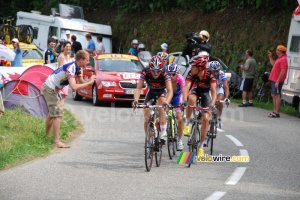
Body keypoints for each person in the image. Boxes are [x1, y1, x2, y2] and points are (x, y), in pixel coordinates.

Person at [42, 50, 96, 148]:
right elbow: (74, 87)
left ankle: (46, 136)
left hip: (52, 88)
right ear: (81, 60)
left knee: (52, 114)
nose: (88, 62)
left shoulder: (78, 68)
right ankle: (56, 142)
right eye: (87, 60)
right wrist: (88, 83)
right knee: (58, 115)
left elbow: (81, 82)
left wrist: (90, 81)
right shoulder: (71, 68)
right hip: (50, 88)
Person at [182, 54, 217, 157]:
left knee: (206, 119)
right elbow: (186, 87)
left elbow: (214, 91)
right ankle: (187, 123)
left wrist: (212, 105)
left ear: (200, 68)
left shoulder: (210, 74)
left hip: (206, 93)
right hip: (196, 91)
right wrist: (184, 100)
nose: (191, 68)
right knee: (191, 99)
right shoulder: (191, 73)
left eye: (193, 67)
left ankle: (201, 145)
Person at [132, 55, 173, 141]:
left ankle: (163, 131)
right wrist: (135, 100)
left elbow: (170, 90)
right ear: (150, 69)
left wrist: (167, 102)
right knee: (146, 115)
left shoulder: (165, 73)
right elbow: (139, 88)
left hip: (162, 91)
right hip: (151, 92)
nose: (155, 73)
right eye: (153, 70)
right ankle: (148, 139)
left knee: (161, 103)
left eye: (158, 71)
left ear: (161, 69)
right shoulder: (145, 72)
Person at [166, 63, 185, 150]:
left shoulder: (180, 79)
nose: (171, 76)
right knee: (162, 113)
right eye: (169, 74)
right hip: (168, 96)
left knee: (180, 119)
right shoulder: (166, 78)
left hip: (177, 97)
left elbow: (184, 91)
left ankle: (180, 140)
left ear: (177, 73)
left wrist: (184, 101)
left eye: (173, 74)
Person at [267, 45, 288, 118]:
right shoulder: (280, 59)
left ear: (280, 51)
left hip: (277, 80)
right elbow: (274, 64)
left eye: (277, 50)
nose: (276, 51)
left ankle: (276, 112)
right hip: (274, 79)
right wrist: (270, 57)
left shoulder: (283, 59)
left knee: (277, 95)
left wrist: (278, 81)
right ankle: (274, 110)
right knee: (273, 95)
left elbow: (283, 71)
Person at [208, 61, 230, 129]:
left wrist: (226, 98)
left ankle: (218, 117)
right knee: (209, 102)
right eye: (213, 71)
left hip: (218, 89)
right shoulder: (208, 74)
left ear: (219, 70)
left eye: (217, 71)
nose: (215, 73)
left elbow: (226, 87)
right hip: (210, 89)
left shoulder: (222, 74)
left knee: (219, 101)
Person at [57, 41, 74, 106]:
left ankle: (60, 111)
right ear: (64, 47)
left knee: (64, 97)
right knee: (61, 97)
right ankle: (58, 112)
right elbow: (60, 70)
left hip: (67, 79)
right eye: (66, 46)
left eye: (69, 47)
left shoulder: (70, 57)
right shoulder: (62, 56)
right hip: (62, 80)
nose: (68, 48)